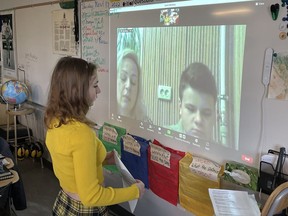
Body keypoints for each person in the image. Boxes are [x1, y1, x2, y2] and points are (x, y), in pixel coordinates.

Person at [44, 56, 145, 215]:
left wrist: (103, 159)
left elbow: (71, 162)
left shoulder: (55, 120)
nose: (99, 91)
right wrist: (134, 192)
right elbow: (91, 196)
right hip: (84, 210)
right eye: (95, 85)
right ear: (77, 90)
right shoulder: (80, 134)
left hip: (65, 203)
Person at [167, 62, 217, 141]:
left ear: (214, 115)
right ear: (180, 107)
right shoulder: (161, 140)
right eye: (190, 109)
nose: (198, 119)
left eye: (206, 113)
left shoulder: (219, 152)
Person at [117, 48, 150, 122]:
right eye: (123, 77)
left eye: (133, 81)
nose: (128, 86)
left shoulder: (146, 123)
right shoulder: (101, 116)